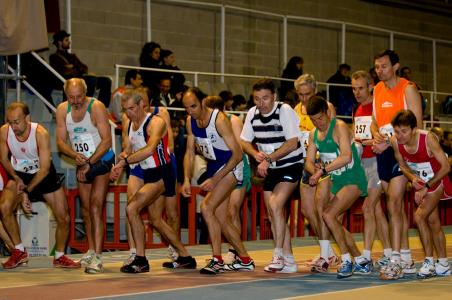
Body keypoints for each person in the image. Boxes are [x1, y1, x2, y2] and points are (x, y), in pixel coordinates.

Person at [110, 89, 196, 273]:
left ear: (142, 104)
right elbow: (129, 148)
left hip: (163, 173)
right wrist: (118, 164)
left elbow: (149, 149)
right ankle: (185, 257)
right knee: (156, 220)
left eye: (132, 108)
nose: (128, 113)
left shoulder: (155, 122)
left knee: (132, 208)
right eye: (125, 109)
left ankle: (140, 259)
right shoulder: (130, 124)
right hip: (149, 172)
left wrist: (125, 162)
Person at [181, 87, 254, 275]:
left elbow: (237, 154)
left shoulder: (219, 119)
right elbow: (189, 152)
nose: (191, 111)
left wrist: (215, 179)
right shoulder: (191, 121)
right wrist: (186, 179)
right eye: (186, 108)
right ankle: (245, 259)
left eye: (194, 106)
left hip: (231, 166)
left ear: (203, 101)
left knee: (206, 207)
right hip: (214, 166)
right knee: (221, 219)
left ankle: (217, 259)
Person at [0, 102, 80, 269]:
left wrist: (26, 192)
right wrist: (15, 177)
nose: (13, 126)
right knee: (4, 206)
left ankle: (59, 256)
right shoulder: (4, 131)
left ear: (27, 118)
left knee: (64, 217)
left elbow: (43, 170)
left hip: (42, 175)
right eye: (10, 122)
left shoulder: (40, 133)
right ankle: (19, 250)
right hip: (19, 174)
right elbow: (4, 159)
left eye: (17, 121)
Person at [241, 79, 303, 273]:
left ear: (274, 97)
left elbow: (293, 142)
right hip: (271, 167)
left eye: (265, 98)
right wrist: (254, 154)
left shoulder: (284, 111)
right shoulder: (252, 113)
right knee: (273, 211)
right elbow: (243, 141)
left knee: (276, 205)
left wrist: (268, 158)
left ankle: (277, 254)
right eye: (257, 99)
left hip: (291, 164)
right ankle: (289, 259)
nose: (261, 103)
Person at [371, 49, 423, 280]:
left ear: (395, 67)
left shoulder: (408, 88)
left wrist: (392, 143)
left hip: (401, 152)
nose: (379, 70)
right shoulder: (377, 90)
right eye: (377, 67)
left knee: (393, 203)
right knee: (394, 207)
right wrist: (376, 137)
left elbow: (417, 126)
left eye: (383, 66)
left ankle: (395, 260)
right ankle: (406, 257)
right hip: (382, 152)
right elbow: (374, 122)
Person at [56, 78, 115, 274]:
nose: (76, 101)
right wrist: (75, 156)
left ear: (86, 92)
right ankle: (91, 249)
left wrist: (90, 163)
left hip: (101, 159)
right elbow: (61, 142)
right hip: (82, 162)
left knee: (97, 205)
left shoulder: (96, 107)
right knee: (87, 209)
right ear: (66, 95)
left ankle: (98, 256)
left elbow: (107, 141)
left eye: (79, 96)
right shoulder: (63, 110)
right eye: (71, 97)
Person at [305, 96, 368, 279]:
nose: (318, 123)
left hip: (352, 179)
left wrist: (321, 170)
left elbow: (347, 156)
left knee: (328, 215)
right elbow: (308, 162)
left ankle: (346, 260)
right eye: (313, 120)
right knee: (334, 223)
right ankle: (360, 260)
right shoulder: (313, 134)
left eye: (320, 118)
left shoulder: (339, 126)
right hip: (336, 181)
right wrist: (313, 169)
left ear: (328, 113)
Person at [391, 110, 451, 278]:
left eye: (404, 131)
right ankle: (444, 263)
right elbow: (402, 165)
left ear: (414, 129)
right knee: (433, 222)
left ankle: (429, 261)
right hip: (422, 183)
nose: (399, 135)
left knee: (419, 217)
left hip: (437, 180)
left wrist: (426, 185)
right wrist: (412, 178)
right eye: (396, 131)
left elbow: (446, 167)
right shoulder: (396, 142)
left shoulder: (428, 139)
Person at [293, 74, 339, 272]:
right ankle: (327, 252)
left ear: (315, 90)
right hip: (306, 162)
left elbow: (335, 133)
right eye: (301, 94)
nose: (304, 99)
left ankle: (326, 253)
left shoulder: (326, 107)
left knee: (322, 208)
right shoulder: (296, 109)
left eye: (308, 94)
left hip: (324, 163)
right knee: (307, 211)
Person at [351, 71, 391, 273]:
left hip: (377, 161)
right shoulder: (357, 109)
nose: (357, 92)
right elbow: (357, 135)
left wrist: (373, 140)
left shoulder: (376, 107)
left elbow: (383, 134)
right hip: (363, 162)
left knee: (368, 207)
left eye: (360, 88)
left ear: (370, 86)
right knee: (376, 210)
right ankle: (389, 253)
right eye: (354, 88)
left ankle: (365, 257)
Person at [204, 96, 252, 263]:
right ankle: (232, 251)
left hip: (239, 166)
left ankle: (234, 251)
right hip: (223, 168)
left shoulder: (233, 120)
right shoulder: (207, 123)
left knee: (233, 209)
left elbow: (237, 149)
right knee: (221, 213)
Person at [49, 30, 112, 107]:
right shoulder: (54, 57)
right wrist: (75, 68)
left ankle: (102, 107)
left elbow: (84, 68)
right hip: (69, 80)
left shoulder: (72, 56)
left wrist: (72, 67)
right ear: (59, 42)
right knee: (91, 79)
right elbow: (64, 71)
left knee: (106, 81)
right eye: (66, 40)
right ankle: (86, 106)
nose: (69, 42)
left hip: (80, 78)